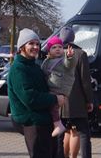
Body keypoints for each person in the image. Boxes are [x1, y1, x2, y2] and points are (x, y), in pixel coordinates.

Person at [8, 28, 64, 158]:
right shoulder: (18, 69)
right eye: (31, 44)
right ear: (22, 47)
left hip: (44, 121)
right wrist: (55, 99)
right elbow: (29, 98)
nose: (35, 47)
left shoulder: (34, 66)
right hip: (32, 122)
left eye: (37, 44)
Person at [56, 26, 93, 158]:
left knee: (62, 132)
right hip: (76, 102)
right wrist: (89, 100)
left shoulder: (55, 52)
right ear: (73, 38)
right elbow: (85, 81)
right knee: (82, 133)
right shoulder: (80, 54)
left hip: (58, 101)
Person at [41, 36, 77, 137]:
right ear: (49, 50)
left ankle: (58, 125)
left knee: (54, 108)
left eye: (60, 47)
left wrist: (69, 57)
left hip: (59, 89)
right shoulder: (47, 61)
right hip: (51, 88)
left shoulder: (63, 60)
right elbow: (43, 72)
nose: (57, 49)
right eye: (54, 47)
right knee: (51, 107)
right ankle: (55, 124)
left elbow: (69, 64)